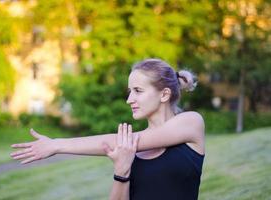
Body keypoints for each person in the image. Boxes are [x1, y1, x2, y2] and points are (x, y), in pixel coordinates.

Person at [11, 58, 205, 200]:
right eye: (130, 92)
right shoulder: (128, 152)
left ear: (164, 94)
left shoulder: (191, 123)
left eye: (138, 91)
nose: (129, 100)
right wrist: (121, 171)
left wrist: (57, 145)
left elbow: (116, 142)